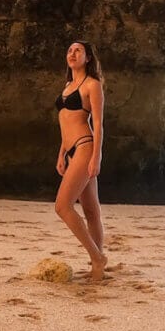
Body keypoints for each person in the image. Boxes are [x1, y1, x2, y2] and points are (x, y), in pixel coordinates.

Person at [54, 40, 107, 281]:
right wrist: (61, 153)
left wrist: (97, 157)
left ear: (87, 58)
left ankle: (97, 257)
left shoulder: (92, 85)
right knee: (90, 209)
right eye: (69, 50)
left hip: (86, 147)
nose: (72, 53)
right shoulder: (67, 86)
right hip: (71, 149)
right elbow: (65, 122)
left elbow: (98, 124)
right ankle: (97, 264)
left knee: (62, 206)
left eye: (78, 51)